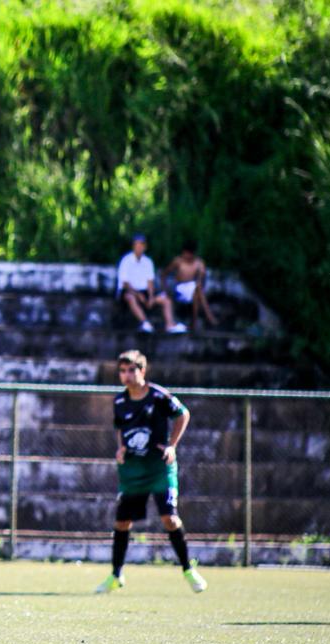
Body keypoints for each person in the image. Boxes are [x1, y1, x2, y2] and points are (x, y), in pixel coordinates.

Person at [96, 350, 206, 594]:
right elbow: (120, 428)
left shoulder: (158, 396)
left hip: (159, 470)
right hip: (132, 472)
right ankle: (116, 575)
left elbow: (183, 414)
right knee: (122, 523)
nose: (126, 376)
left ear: (142, 371)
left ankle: (188, 569)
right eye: (122, 371)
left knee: (170, 518)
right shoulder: (119, 401)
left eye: (131, 370)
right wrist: (121, 448)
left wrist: (172, 445)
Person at [117, 234, 185, 334]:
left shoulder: (148, 261)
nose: (139, 247)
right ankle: (145, 323)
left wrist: (151, 296)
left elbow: (150, 282)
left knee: (166, 300)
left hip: (144, 292)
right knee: (130, 297)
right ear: (133, 246)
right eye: (137, 245)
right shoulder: (126, 261)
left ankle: (170, 325)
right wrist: (137, 294)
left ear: (145, 247)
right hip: (129, 292)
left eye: (141, 245)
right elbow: (125, 283)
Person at [160, 239, 218, 330]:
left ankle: (194, 323)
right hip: (179, 289)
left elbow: (203, 279)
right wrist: (165, 290)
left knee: (197, 289)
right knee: (197, 289)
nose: (186, 255)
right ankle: (209, 317)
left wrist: (201, 276)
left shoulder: (199, 263)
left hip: (193, 289)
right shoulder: (178, 261)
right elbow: (163, 275)